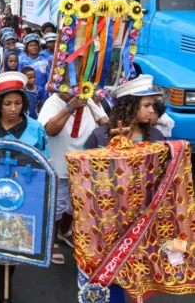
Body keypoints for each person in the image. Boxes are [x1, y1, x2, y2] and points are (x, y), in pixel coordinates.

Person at [83, 75, 163, 303]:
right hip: (107, 217)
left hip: (142, 216)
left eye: (152, 106)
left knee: (137, 268)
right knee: (111, 269)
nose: (151, 111)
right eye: (146, 106)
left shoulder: (156, 137)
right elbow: (83, 176)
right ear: (129, 106)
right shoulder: (101, 137)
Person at [0, 71, 49, 303]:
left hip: (23, 198)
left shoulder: (35, 129)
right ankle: (1, 293)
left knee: (15, 244)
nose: (13, 108)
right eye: (7, 103)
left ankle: (6, 287)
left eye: (18, 103)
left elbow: (44, 162)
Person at [37, 83, 108, 264]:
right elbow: (49, 130)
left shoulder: (89, 102)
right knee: (57, 206)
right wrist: (70, 107)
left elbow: (106, 126)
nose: (74, 91)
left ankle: (64, 231)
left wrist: (91, 104)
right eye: (71, 88)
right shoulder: (53, 103)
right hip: (58, 163)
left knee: (75, 204)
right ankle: (50, 241)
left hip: (83, 166)